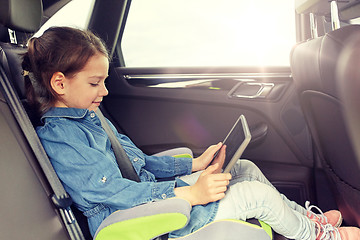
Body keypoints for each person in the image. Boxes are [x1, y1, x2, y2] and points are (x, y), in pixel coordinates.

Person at [22, 26, 360, 240]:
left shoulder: (89, 115)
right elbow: (110, 194)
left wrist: (194, 165)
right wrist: (189, 195)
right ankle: (322, 238)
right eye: (96, 83)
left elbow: (137, 161)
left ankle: (304, 219)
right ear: (60, 83)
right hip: (139, 220)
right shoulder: (61, 137)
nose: (105, 91)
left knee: (245, 170)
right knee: (254, 196)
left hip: (149, 194)